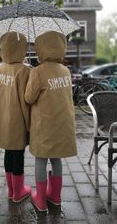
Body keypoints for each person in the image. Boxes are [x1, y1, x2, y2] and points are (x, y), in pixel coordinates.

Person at [25, 31, 77, 211]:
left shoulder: (38, 71)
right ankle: (55, 196)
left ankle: (40, 199)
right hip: (62, 123)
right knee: (56, 158)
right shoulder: (66, 71)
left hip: (44, 124)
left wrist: (32, 77)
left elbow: (29, 98)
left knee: (41, 159)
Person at [0, 31, 31, 202]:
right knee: (18, 154)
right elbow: (26, 99)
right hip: (17, 120)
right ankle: (19, 192)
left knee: (8, 152)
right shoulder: (23, 71)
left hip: (3, 118)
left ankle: (12, 190)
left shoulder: (1, 69)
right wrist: (29, 124)